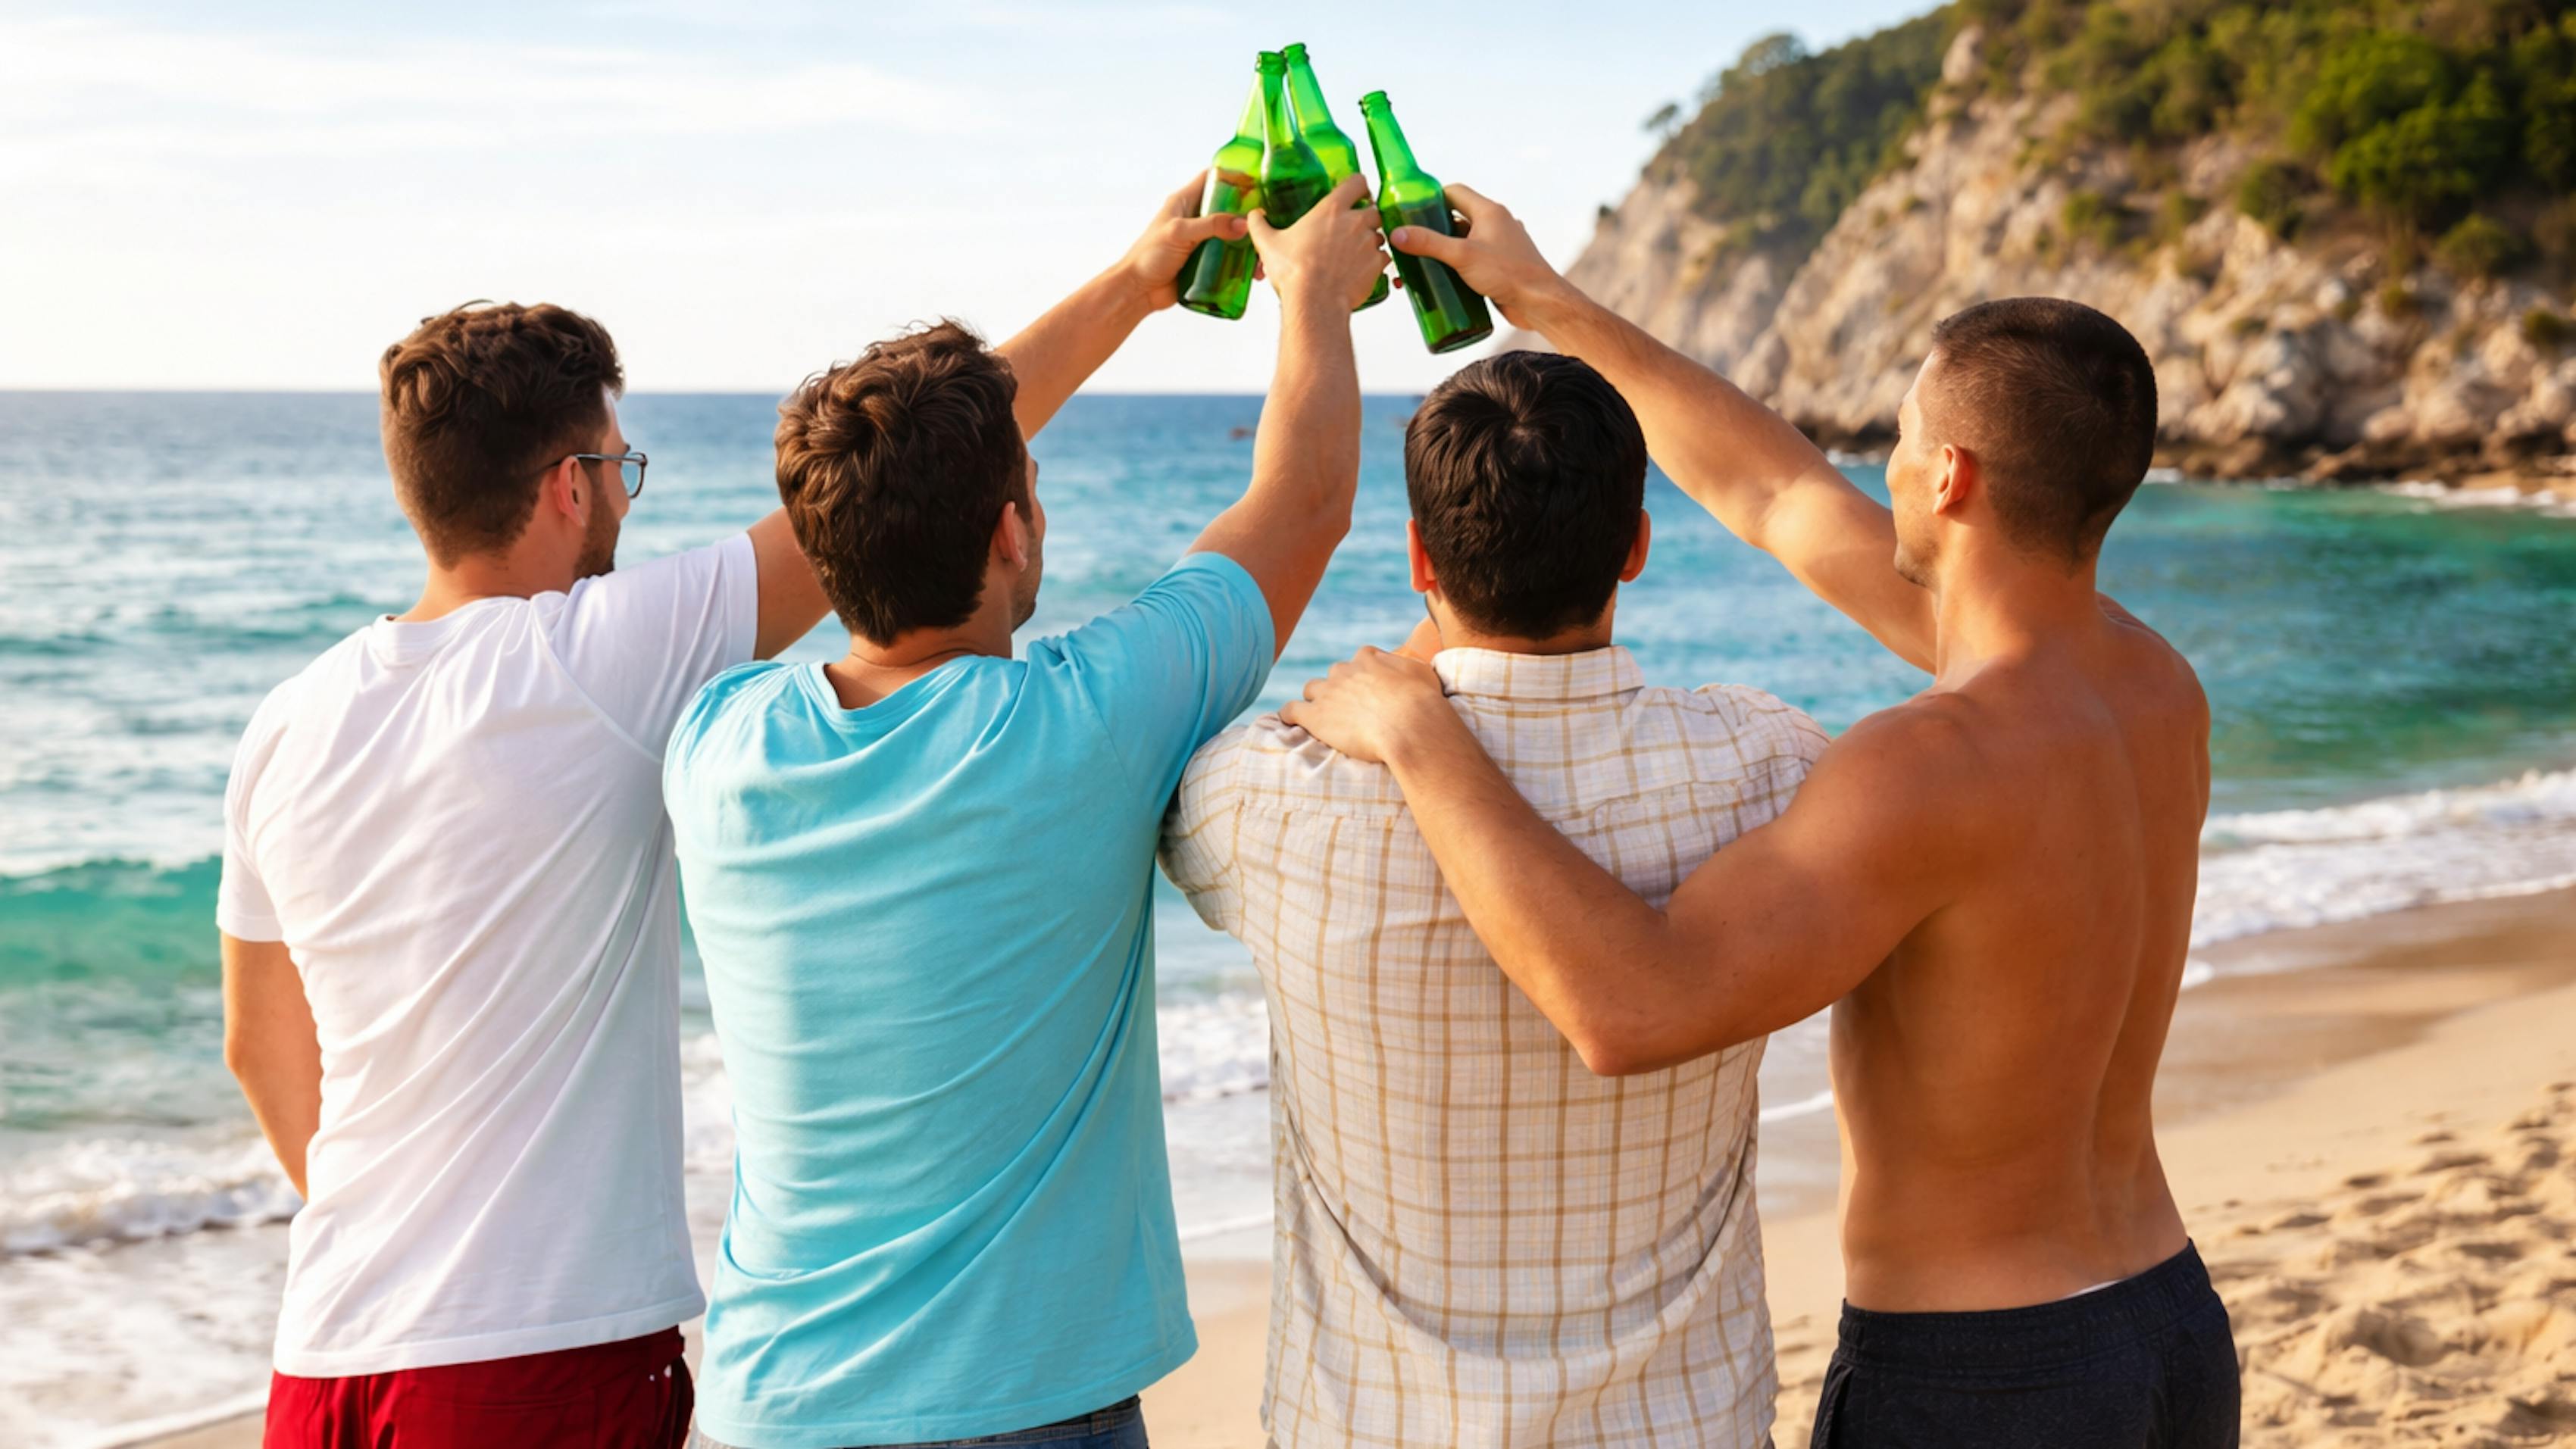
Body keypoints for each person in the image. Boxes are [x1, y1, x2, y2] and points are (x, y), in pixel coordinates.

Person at [1279, 189, 2242, 1447]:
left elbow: (1634, 1009)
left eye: (1897, 437)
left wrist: (1421, 735)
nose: (1874, 465)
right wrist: (1549, 304)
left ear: (1947, 477)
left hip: (1991, 1374)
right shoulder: (2154, 686)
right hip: (2167, 1324)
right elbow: (1774, 491)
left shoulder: (1934, 760)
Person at [658, 175, 1387, 1449]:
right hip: (1031, 1411)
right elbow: (1305, 502)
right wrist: (1313, 301)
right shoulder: (1083, 720)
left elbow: (888, 485)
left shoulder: (715, 745)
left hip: (767, 1406)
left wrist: (1131, 283)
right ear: (1013, 529)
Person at [1159, 349, 1826, 1448]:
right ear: (1639, 546)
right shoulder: (1766, 764)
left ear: (1420, 554)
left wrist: (1412, 667)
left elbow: (1188, 820)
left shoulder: (1271, 797)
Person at [217, 301, 834, 1447]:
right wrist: (1137, 288)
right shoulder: (592, 656)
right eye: (620, 470)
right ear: (569, 484)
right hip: (532, 1364)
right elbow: (883, 492)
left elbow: (258, 1046)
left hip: (325, 1362)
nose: (622, 502)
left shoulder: (286, 723)